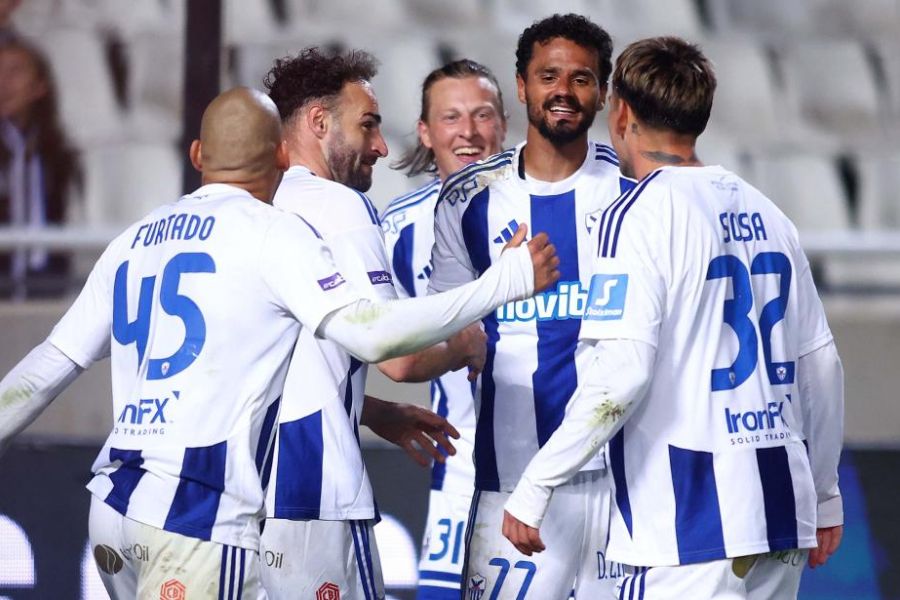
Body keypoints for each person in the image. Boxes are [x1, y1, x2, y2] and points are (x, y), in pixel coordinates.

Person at [0, 86, 560, 598]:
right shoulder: (271, 234)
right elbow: (374, 335)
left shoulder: (133, 239)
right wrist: (502, 283)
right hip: (194, 514)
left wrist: (368, 410)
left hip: (114, 509)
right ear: (283, 157)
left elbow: (49, 365)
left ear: (197, 155)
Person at [503, 37, 845, 599]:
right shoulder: (770, 214)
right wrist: (826, 494)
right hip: (782, 511)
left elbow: (622, 372)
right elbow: (822, 366)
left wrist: (537, 483)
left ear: (622, 113)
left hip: (689, 522)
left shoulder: (636, 215)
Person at [259, 48, 493, 599]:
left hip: (233, 500)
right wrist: (465, 342)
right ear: (319, 122)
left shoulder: (253, 208)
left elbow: (268, 366)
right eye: (368, 125)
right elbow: (399, 356)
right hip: (314, 494)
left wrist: (371, 410)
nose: (382, 147)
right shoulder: (341, 207)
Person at [428, 14, 635, 599]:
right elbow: (446, 328)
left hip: (624, 482)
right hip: (510, 481)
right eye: (548, 76)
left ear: (603, 92)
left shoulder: (634, 191)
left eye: (581, 78)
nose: (563, 91)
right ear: (521, 86)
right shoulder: (469, 200)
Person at [380, 58, 508, 599]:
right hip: (460, 476)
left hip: (567, 475)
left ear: (504, 124)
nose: (468, 132)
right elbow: (372, 345)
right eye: (451, 117)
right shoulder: (396, 226)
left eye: (482, 114)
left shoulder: (554, 205)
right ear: (426, 132)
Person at [0, 36, 81, 299]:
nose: (3, 82)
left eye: (15, 71)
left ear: (39, 86)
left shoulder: (60, 153)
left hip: (50, 285)